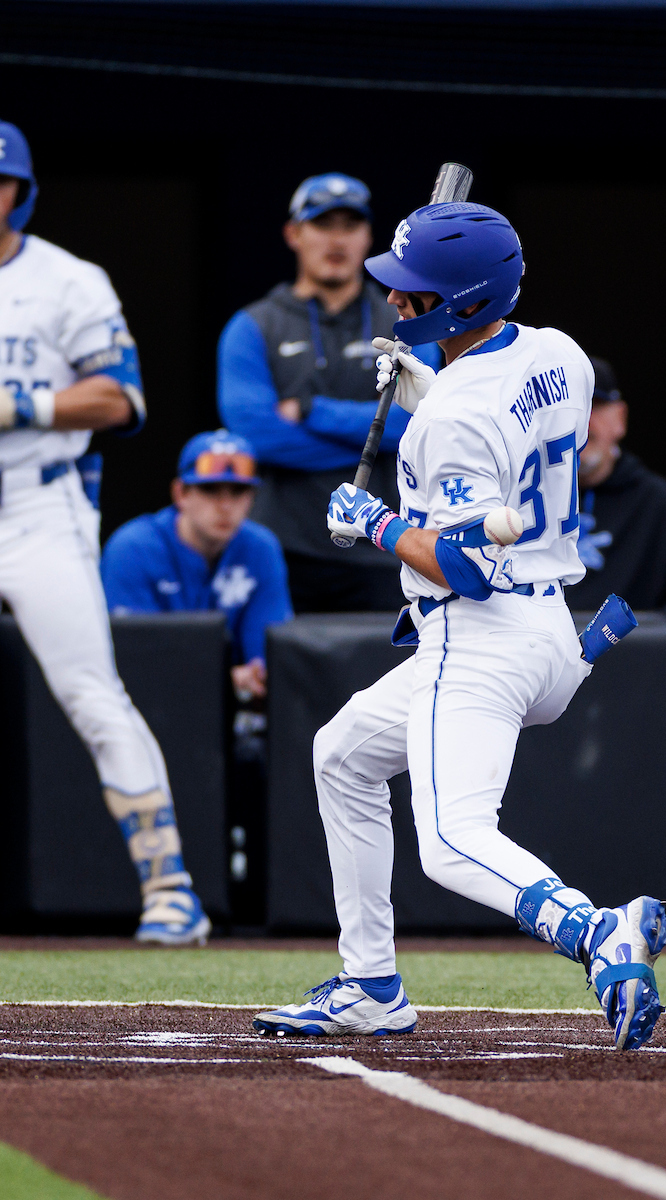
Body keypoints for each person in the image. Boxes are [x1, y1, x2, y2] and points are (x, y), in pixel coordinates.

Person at [253, 201, 666, 1051]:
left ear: (465, 300)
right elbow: (497, 419)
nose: (395, 300)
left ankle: (597, 933)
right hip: (552, 631)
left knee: (450, 840)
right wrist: (433, 385)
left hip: (477, 634)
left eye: (414, 291)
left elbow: (465, 565)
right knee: (342, 756)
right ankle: (371, 986)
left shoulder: (448, 423)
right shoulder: (560, 353)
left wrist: (375, 523)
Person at [0, 120, 209, 944]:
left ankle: (170, 888)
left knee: (91, 693)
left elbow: (122, 398)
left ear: (20, 190)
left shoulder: (66, 279)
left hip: (36, 506)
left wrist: (16, 404)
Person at [217, 173, 441, 614]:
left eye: (350, 225)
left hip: (385, 543)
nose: (337, 239)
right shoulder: (252, 325)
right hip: (284, 549)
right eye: (322, 224)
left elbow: (418, 423)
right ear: (293, 233)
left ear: (369, 236)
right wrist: (374, 440)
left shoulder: (407, 320)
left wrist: (309, 411)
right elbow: (254, 435)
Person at [101, 430, 293, 699]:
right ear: (181, 493)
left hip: (233, 709)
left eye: (239, 491)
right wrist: (223, 680)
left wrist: (257, 674)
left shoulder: (262, 548)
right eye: (210, 489)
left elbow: (267, 657)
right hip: (141, 702)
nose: (225, 506)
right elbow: (134, 659)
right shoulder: (131, 548)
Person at [566, 357, 666, 631]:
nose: (582, 420)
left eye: (595, 405)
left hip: (628, 655)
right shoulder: (520, 495)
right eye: (571, 407)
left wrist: (643, 636)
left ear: (620, 418)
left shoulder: (660, 504)